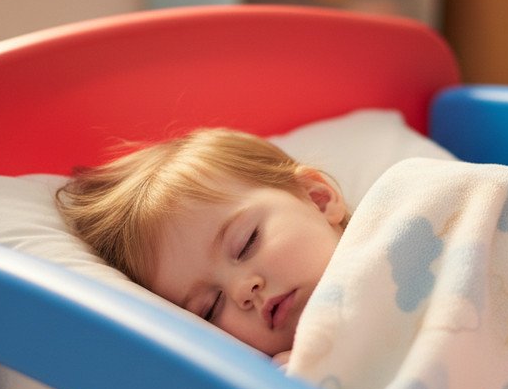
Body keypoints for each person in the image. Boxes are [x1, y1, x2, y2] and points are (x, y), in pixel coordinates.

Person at [57, 128, 348, 364]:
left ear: (318, 198)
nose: (242, 290)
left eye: (246, 244)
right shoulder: (295, 387)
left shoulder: (389, 217)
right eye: (210, 308)